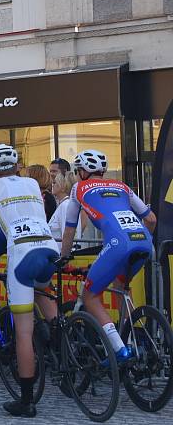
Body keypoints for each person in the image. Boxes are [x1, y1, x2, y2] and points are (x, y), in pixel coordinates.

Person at [0, 144, 59, 418]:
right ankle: (60, 341)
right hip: (48, 248)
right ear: (16, 165)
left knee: (23, 330)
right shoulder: (33, 183)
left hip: (21, 254)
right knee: (43, 294)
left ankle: (26, 401)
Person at [61, 150, 156, 364]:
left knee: (90, 296)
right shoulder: (122, 186)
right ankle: (130, 341)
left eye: (77, 171)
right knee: (121, 289)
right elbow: (150, 219)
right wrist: (143, 238)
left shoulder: (79, 188)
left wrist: (64, 257)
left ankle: (119, 350)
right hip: (143, 241)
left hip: (117, 245)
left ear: (84, 172)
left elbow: (69, 230)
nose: (76, 175)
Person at [48, 171, 78, 247]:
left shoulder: (65, 205)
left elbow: (67, 233)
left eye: (55, 183)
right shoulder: (64, 204)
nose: (52, 185)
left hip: (61, 254)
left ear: (63, 187)